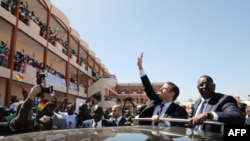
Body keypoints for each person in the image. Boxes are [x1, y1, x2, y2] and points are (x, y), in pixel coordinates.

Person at [137, 52, 188, 127]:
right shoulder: (155, 101)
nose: (160, 89)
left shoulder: (180, 110)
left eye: (164, 88)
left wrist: (162, 121)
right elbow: (147, 86)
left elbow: (178, 127)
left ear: (172, 93)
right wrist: (140, 68)